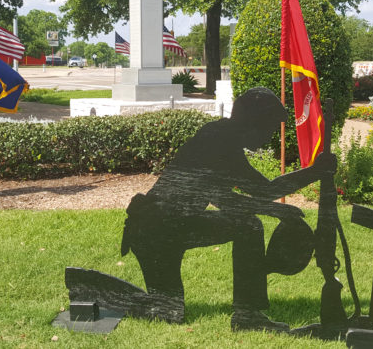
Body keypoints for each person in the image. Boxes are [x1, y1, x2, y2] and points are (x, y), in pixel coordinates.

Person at [120, 87, 337, 330]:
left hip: (174, 226)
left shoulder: (226, 138)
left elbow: (263, 189)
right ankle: (98, 293)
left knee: (248, 226)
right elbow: (224, 200)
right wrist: (275, 210)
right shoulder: (216, 140)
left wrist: (315, 172)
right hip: (155, 232)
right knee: (167, 310)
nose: (270, 136)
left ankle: (248, 316)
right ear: (254, 122)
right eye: (270, 128)